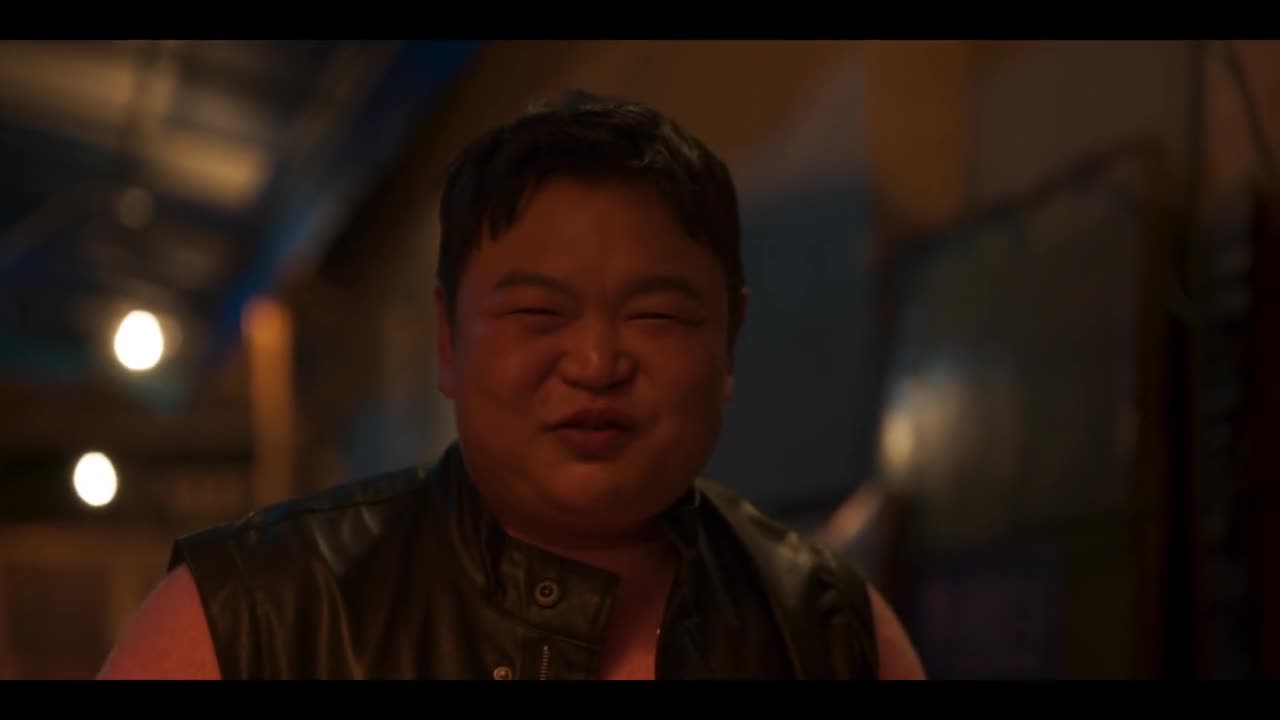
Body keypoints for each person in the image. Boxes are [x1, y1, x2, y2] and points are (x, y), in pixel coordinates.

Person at [97, 90, 925, 681]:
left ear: (730, 340)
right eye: (538, 312)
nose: (596, 363)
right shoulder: (252, 620)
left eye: (657, 315)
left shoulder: (830, 631)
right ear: (448, 338)